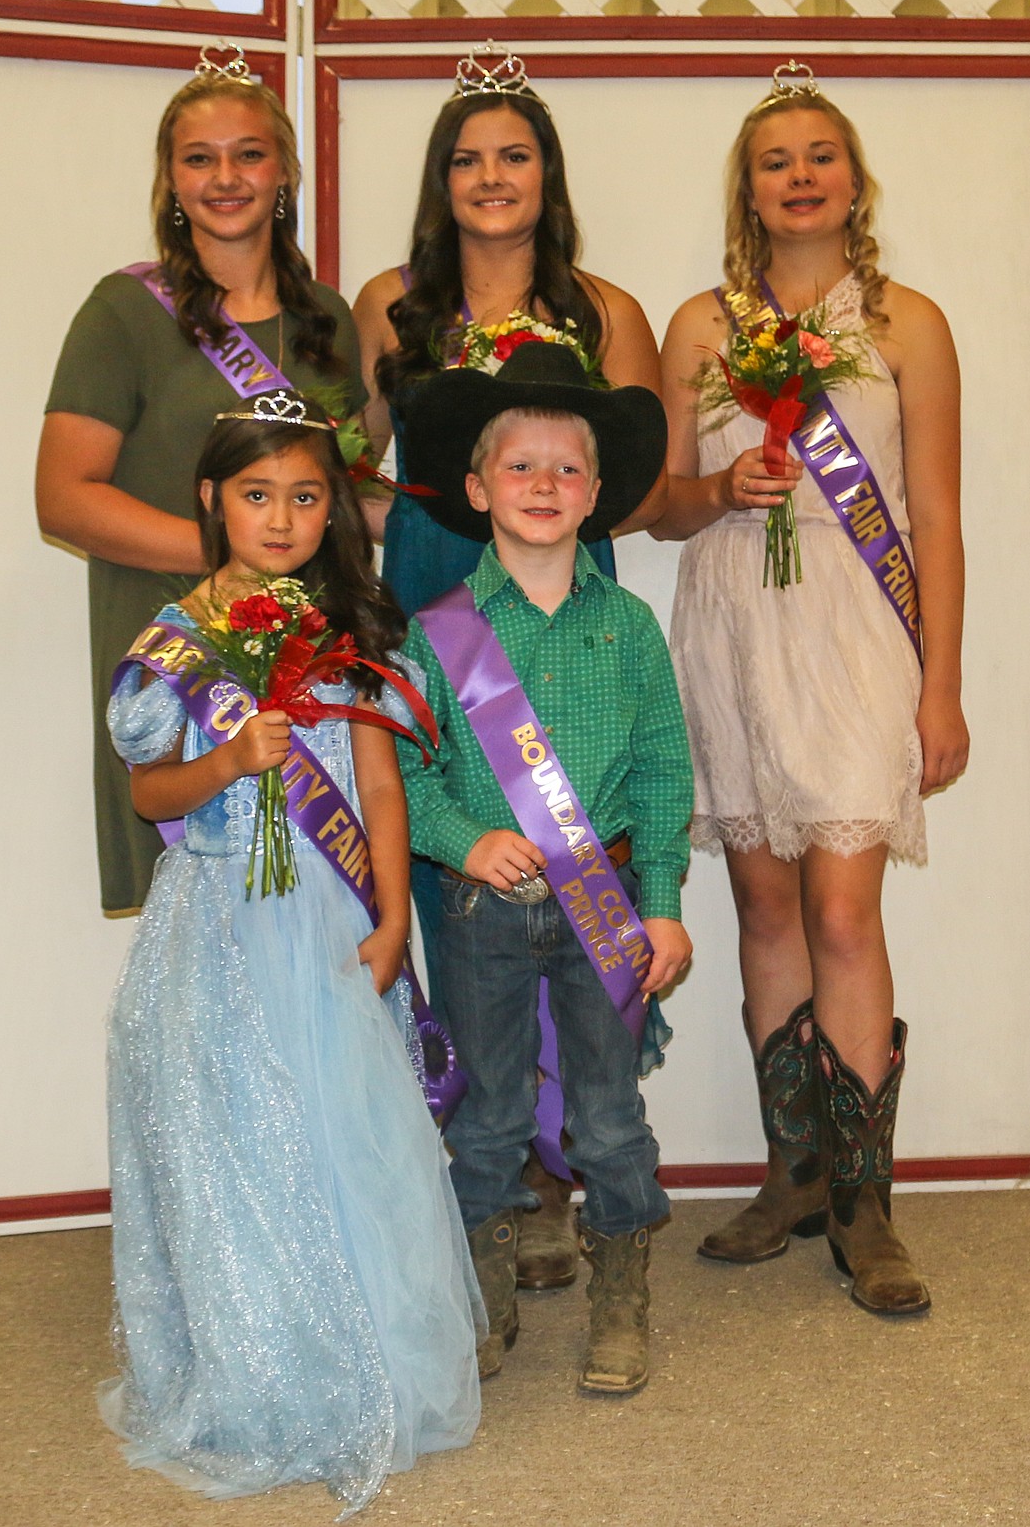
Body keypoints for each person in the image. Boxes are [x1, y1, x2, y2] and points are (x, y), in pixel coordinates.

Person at [101, 391, 481, 1510]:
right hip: (214, 919)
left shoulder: (351, 634)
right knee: (231, 1144)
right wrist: (226, 765)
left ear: (334, 511)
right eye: (257, 494)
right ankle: (257, 1375)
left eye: (305, 496)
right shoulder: (176, 645)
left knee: (343, 1133)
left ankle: (375, 1364)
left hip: (326, 914)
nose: (280, 517)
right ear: (213, 499)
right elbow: (146, 789)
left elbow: (374, 784)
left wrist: (396, 916)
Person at [652, 62, 969, 1315]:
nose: (798, 175)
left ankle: (865, 1200)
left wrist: (942, 684)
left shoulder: (910, 327)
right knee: (763, 905)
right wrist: (717, 493)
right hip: (732, 619)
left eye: (818, 155)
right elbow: (662, 504)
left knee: (843, 911)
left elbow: (936, 514)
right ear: (750, 188)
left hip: (855, 625)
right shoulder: (697, 328)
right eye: (774, 159)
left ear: (853, 181)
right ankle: (793, 1175)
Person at [352, 44, 663, 1290]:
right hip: (439, 586)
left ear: (549, 174)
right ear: (441, 181)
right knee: (466, 874)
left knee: (574, 850)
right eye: (466, 158)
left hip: (559, 602)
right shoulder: (390, 299)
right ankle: (506, 1174)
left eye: (514, 153)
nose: (491, 176)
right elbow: (344, 459)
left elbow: (632, 483)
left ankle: (570, 1156)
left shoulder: (608, 310)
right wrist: (397, 521)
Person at [395, 340, 693, 1394]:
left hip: (603, 908)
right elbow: (401, 768)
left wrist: (661, 906)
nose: (543, 486)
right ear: (477, 488)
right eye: (519, 466)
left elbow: (662, 775)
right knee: (488, 1113)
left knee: (610, 1114)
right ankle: (482, 1294)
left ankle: (621, 1297)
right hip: (482, 907)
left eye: (568, 469)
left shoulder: (633, 629)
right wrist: (461, 835)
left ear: (598, 493)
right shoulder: (436, 636)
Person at [36, 42, 368, 915]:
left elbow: (354, 481)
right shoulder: (122, 312)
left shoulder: (326, 317)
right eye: (199, 158)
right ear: (170, 183)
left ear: (285, 171)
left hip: (306, 658)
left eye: (249, 153)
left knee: (312, 914)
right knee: (204, 919)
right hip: (180, 652)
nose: (226, 176)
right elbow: (64, 495)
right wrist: (233, 561)